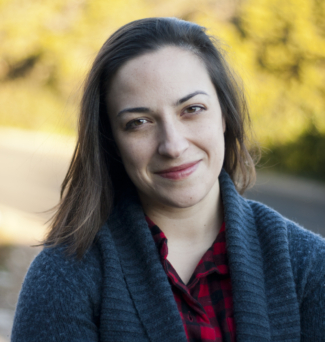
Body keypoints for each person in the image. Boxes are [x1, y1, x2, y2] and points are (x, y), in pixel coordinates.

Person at [11, 17, 325, 342]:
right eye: (139, 122)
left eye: (192, 109)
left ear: (225, 116)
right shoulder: (64, 275)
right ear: (111, 141)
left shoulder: (310, 267)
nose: (173, 146)